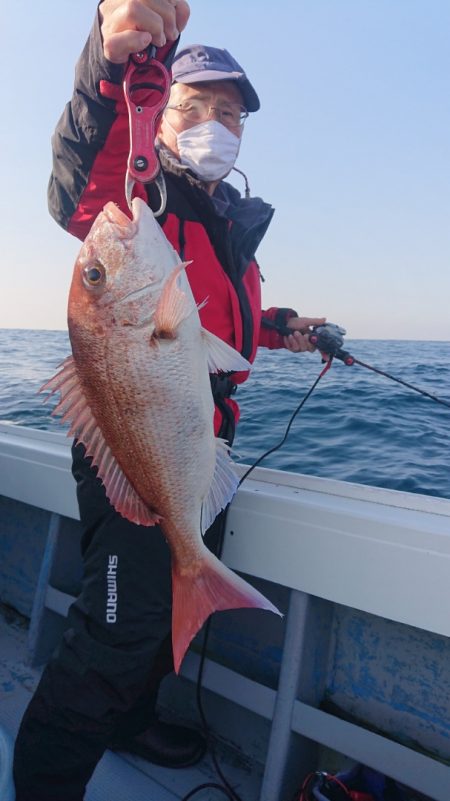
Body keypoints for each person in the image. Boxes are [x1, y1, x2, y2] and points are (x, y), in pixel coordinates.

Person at [13, 2, 326, 799]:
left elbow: (215, 325)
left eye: (231, 114)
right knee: (115, 632)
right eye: (194, 107)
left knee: (163, 620)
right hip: (135, 439)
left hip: (199, 440)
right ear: (158, 119)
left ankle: (130, 719)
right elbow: (80, 183)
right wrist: (111, 62)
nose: (214, 124)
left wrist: (281, 326)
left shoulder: (223, 221)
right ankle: (46, 783)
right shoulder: (136, 200)